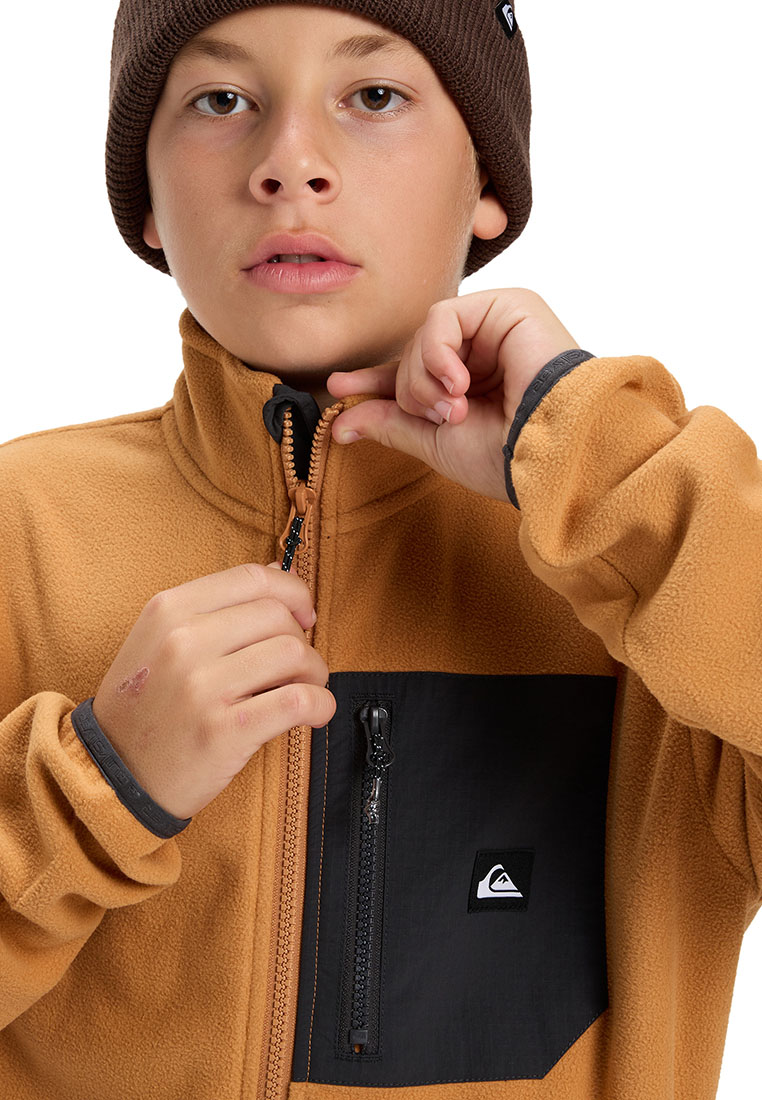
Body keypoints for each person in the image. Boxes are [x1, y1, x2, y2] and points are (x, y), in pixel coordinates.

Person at [0, 1, 759, 1098]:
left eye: (373, 96)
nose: (290, 163)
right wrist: (99, 787)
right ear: (146, 201)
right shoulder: (22, 527)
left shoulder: (649, 575)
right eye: (222, 99)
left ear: (488, 181)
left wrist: (596, 467)